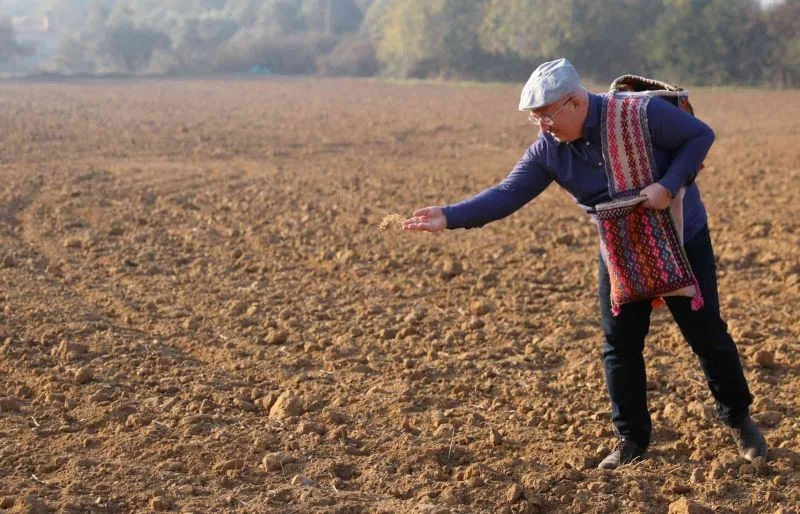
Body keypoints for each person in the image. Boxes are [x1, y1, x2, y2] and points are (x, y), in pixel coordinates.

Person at [401, 58, 767, 469]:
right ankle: (631, 439)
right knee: (620, 345)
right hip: (621, 247)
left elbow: (700, 135)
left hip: (681, 236)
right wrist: (449, 215)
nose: (542, 126)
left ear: (575, 102)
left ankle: (739, 420)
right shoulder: (548, 151)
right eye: (535, 119)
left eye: (547, 116)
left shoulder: (641, 113)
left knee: (706, 334)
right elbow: (507, 194)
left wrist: (668, 184)